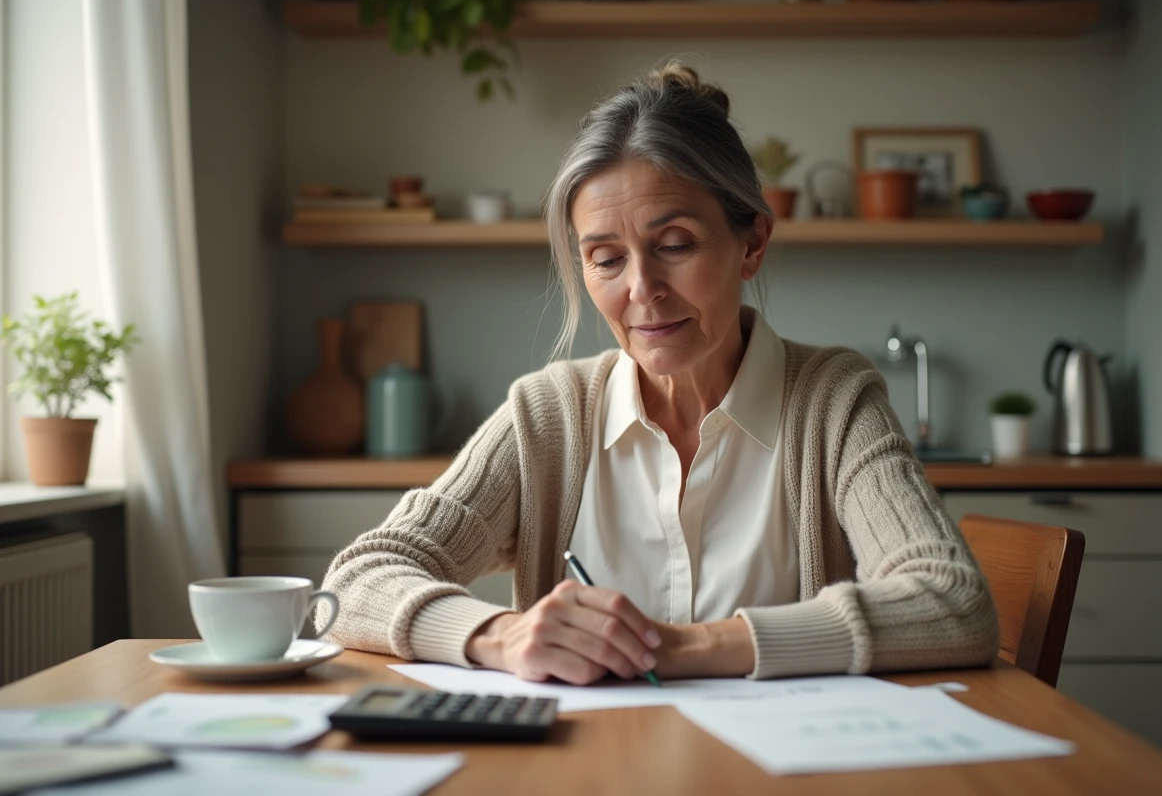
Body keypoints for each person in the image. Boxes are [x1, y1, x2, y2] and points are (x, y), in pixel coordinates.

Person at [320, 62, 999, 685]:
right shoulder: (548, 415)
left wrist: (688, 648)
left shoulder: (833, 402)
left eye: (674, 245)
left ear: (752, 243)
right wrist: (500, 635)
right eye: (606, 259)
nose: (642, 288)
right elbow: (355, 582)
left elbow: (952, 603)